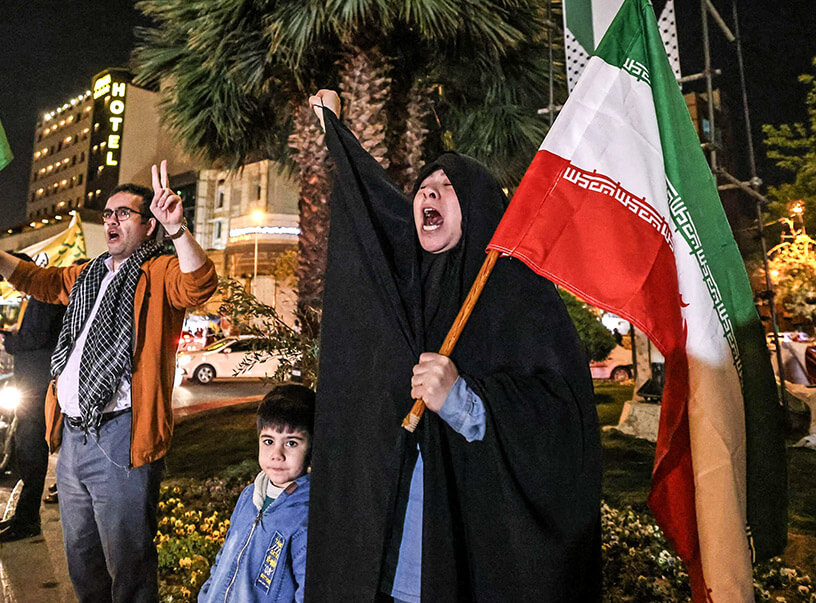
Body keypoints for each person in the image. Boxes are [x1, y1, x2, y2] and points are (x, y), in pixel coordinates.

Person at [304, 91, 601, 601]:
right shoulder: (407, 290)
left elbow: (563, 419)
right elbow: (370, 208)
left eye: (447, 187)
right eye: (424, 187)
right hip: (389, 561)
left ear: (480, 207)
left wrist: (465, 402)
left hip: (470, 553)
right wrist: (334, 127)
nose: (428, 195)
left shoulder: (514, 293)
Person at [0, 161, 217, 601]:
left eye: (123, 214)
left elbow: (199, 285)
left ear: (148, 226)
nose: (111, 220)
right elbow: (38, 280)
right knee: (81, 555)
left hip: (122, 436)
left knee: (128, 561)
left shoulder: (158, 271)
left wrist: (178, 228)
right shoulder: (87, 274)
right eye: (108, 213)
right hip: (74, 436)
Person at [198, 385, 313, 603]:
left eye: (291, 443)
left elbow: (307, 590)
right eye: (268, 441)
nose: (277, 455)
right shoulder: (249, 496)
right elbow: (225, 556)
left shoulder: (304, 515)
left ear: (311, 448)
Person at [0, 254, 66, 543]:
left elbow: (34, 341)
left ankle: (27, 520)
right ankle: (24, 516)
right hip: (33, 383)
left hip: (37, 386)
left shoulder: (43, 294)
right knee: (28, 454)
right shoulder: (38, 295)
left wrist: (4, 340)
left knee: (31, 453)